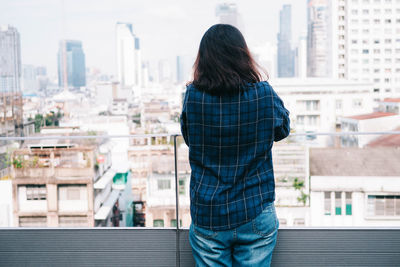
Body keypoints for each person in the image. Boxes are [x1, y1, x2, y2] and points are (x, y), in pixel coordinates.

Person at [180, 24, 290, 267]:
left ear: (204, 59)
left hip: (208, 211)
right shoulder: (263, 93)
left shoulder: (193, 97)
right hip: (256, 207)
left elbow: (189, 138)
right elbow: (283, 130)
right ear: (243, 54)